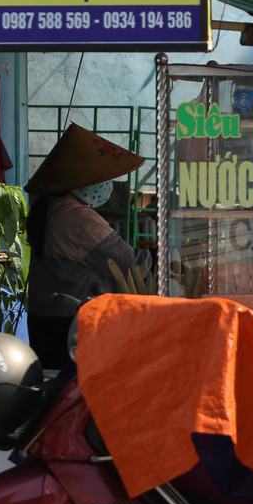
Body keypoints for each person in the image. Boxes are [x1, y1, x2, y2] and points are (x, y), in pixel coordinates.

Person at [24, 125, 152, 368]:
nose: (107, 184)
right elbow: (129, 265)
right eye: (102, 178)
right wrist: (155, 256)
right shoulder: (77, 218)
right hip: (68, 324)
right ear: (83, 180)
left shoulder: (52, 208)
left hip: (45, 320)